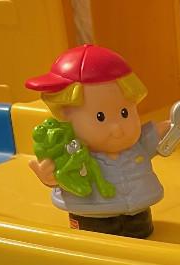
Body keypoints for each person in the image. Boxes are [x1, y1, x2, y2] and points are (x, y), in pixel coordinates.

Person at [25, 44, 171, 238]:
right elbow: (65, 175)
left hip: (138, 213)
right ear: (65, 113)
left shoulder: (135, 147)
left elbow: (155, 137)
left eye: (125, 113)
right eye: (100, 117)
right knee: (96, 242)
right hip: (91, 216)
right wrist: (50, 177)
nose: (117, 128)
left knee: (142, 237)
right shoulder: (73, 155)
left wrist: (171, 127)